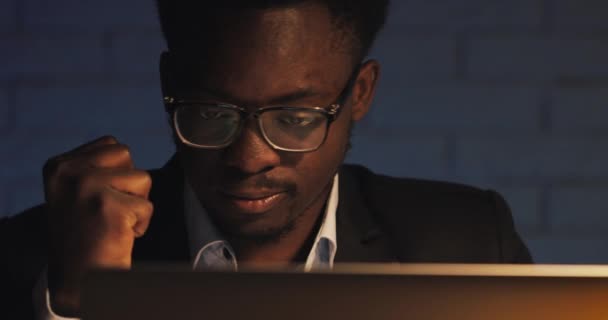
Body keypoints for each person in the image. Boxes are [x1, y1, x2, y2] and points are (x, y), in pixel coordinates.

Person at [0, 0, 532, 318]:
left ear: (361, 93)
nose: (249, 158)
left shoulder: (471, 244)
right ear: (169, 86)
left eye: (296, 117)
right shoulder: (29, 262)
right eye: (212, 112)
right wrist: (77, 302)